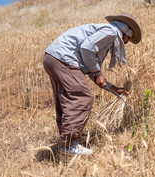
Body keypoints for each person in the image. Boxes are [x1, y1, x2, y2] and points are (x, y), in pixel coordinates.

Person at [43, 12, 142, 155]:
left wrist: (112, 88)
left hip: (53, 57)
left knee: (65, 99)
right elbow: (86, 49)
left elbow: (91, 69)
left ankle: (65, 143)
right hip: (64, 58)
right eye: (128, 38)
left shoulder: (105, 32)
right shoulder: (111, 32)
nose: (127, 42)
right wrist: (98, 73)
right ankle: (69, 144)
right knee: (83, 97)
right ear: (125, 31)